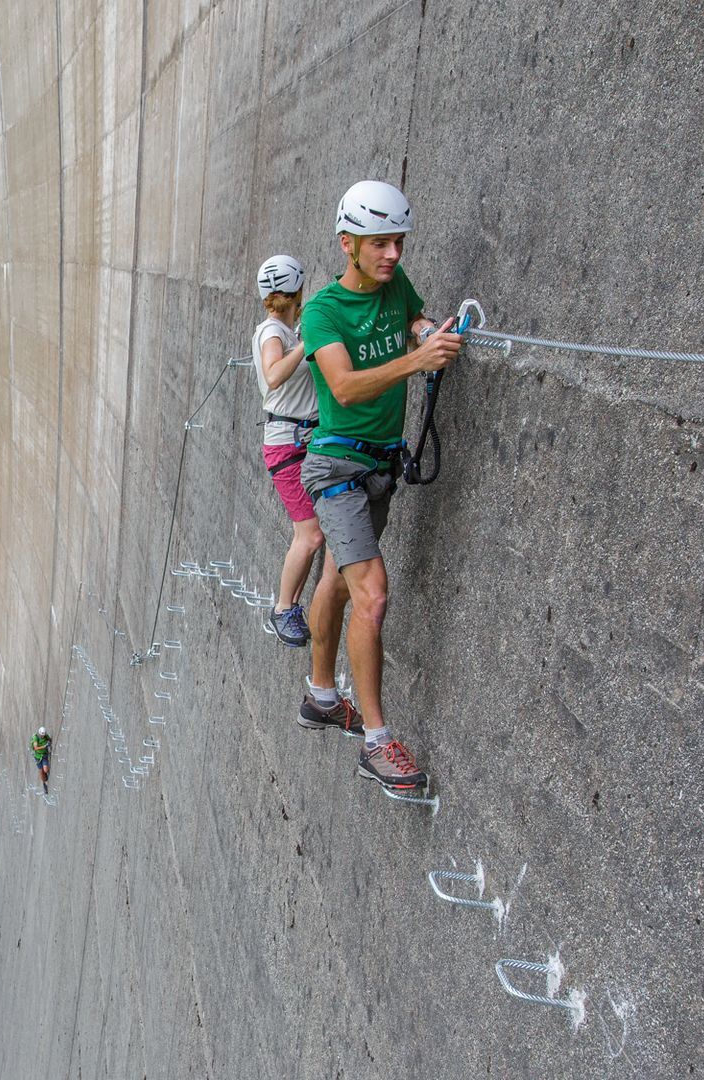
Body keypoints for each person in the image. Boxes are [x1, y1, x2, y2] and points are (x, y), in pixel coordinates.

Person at [294, 180, 461, 794]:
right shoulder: (323, 311)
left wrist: (420, 331)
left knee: (337, 579)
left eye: (399, 241)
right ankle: (377, 743)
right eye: (381, 243)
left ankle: (319, 695)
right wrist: (418, 362)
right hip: (335, 470)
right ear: (349, 244)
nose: (393, 253)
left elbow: (412, 315)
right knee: (372, 594)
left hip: (380, 468)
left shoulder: (396, 285)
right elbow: (343, 387)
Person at [251, 255, 324, 649]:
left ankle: (289, 606)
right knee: (310, 535)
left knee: (315, 531)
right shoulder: (272, 332)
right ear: (298, 290)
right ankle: (283, 608)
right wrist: (307, 345)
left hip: (300, 441)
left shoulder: (283, 330)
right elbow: (275, 373)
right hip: (289, 447)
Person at [32, 727, 52, 793]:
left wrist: (49, 742)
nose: (42, 736)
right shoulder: (35, 738)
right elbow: (35, 747)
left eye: (43, 735)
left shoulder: (46, 736)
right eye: (41, 735)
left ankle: (46, 771)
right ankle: (44, 783)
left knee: (45, 770)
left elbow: (49, 739)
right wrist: (44, 746)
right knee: (41, 772)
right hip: (38, 757)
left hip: (44, 755)